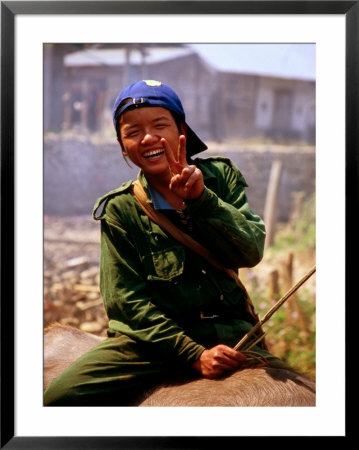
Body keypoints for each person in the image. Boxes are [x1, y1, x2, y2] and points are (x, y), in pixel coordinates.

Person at [44, 80, 282, 406]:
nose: (149, 138)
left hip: (230, 334)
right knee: (59, 397)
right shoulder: (120, 209)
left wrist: (202, 200)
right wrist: (193, 355)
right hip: (152, 345)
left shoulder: (220, 179)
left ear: (181, 130)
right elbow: (127, 303)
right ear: (122, 145)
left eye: (160, 125)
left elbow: (251, 251)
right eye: (133, 132)